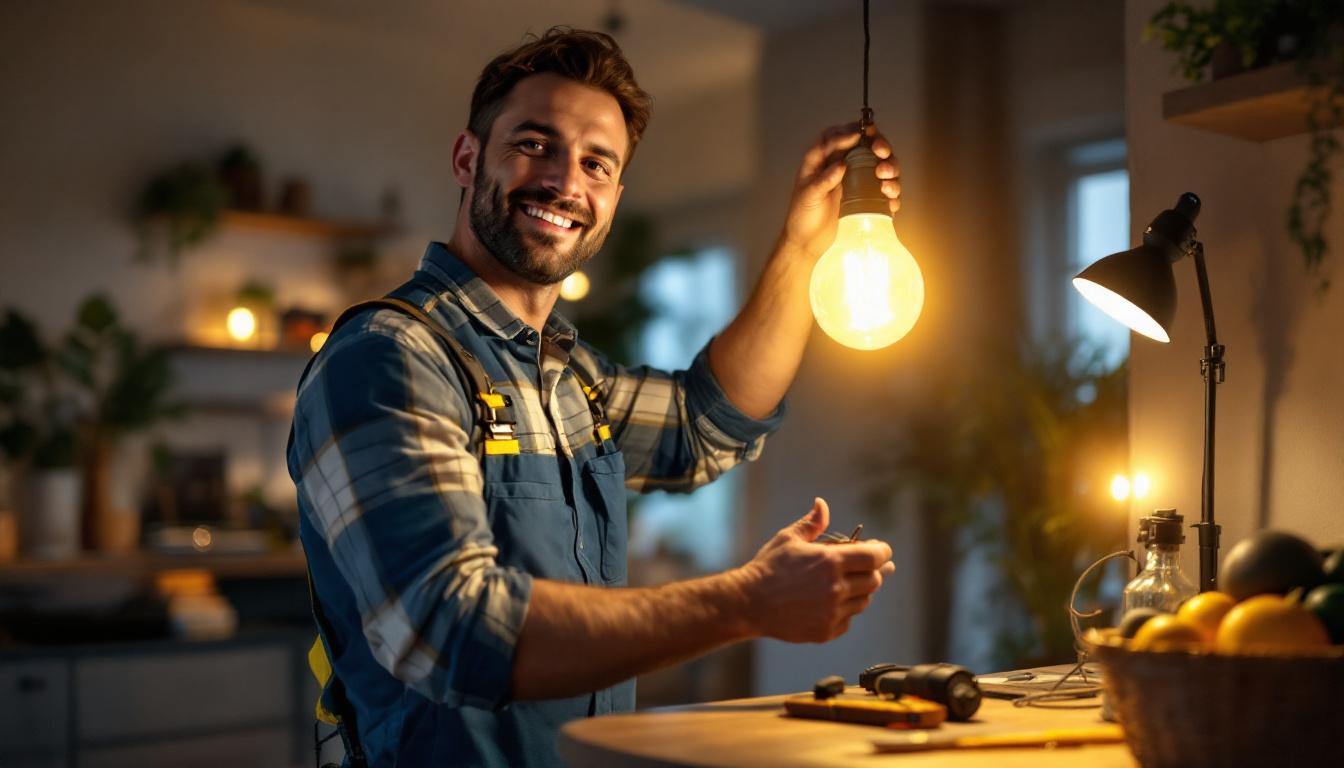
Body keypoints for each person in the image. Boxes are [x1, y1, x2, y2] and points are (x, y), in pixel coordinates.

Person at [287, 27, 901, 768]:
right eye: (534, 144)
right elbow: (448, 628)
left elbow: (706, 423)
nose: (564, 182)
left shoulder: (570, 378)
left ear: (612, 198)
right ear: (466, 158)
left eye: (595, 164)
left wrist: (807, 241)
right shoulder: (391, 355)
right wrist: (746, 602)